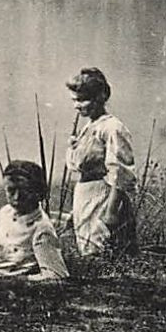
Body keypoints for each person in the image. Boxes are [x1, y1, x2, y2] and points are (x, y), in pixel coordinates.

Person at [65, 67, 138, 256]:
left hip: (102, 196)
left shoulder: (112, 128)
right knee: (87, 249)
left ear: (101, 96)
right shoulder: (89, 127)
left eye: (82, 100)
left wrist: (112, 211)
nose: (77, 106)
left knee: (101, 249)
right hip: (85, 196)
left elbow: (121, 172)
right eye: (74, 100)